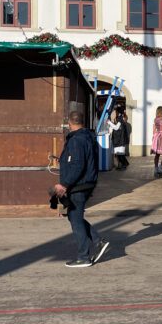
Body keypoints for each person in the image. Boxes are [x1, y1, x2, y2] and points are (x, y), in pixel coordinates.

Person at [54, 109, 108, 268]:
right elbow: (79, 161)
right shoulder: (88, 137)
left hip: (79, 186)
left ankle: (84, 256)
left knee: (75, 219)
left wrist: (64, 184)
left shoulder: (77, 140)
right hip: (85, 184)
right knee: (73, 217)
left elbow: (78, 165)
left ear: (70, 123)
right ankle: (98, 241)